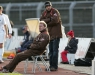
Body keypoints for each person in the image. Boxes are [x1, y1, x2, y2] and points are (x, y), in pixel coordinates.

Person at [40, 1, 63, 71]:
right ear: (45, 7)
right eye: (47, 6)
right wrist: (50, 19)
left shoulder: (55, 11)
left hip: (56, 34)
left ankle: (54, 66)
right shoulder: (44, 13)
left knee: (55, 51)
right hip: (49, 35)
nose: (48, 7)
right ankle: (51, 66)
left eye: (49, 6)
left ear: (51, 6)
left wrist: (46, 22)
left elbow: (55, 20)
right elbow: (41, 21)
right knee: (51, 52)